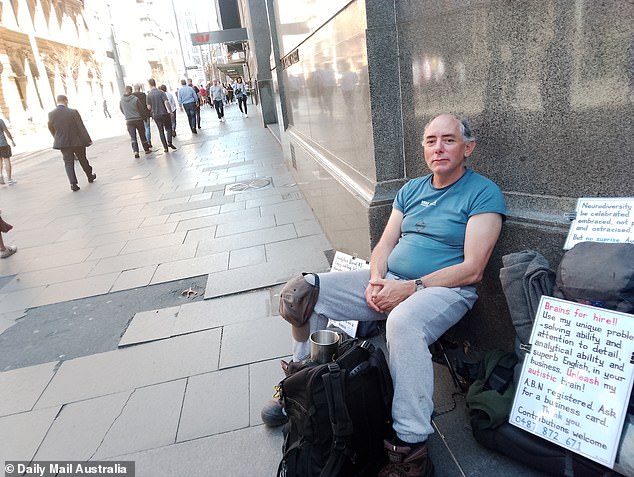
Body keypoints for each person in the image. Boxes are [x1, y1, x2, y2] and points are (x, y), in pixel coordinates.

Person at [262, 114, 506, 477]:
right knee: (303, 291)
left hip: (445, 290)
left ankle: (410, 448)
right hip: (392, 279)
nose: (438, 147)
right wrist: (377, 279)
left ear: (467, 148)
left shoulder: (483, 192)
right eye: (430, 140)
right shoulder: (411, 190)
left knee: (403, 321)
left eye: (449, 140)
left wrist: (409, 288)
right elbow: (385, 243)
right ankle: (304, 383)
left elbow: (472, 268)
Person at [47, 95, 96, 192]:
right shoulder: (73, 112)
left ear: (57, 101)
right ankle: (89, 176)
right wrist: (87, 139)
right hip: (77, 141)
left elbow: (51, 127)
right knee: (83, 159)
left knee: (68, 163)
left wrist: (57, 137)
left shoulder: (51, 114)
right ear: (66, 101)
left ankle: (73, 183)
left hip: (63, 143)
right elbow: (81, 127)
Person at [120, 85, 152, 158]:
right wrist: (144, 118)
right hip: (138, 119)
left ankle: (135, 151)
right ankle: (146, 149)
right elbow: (141, 110)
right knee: (142, 135)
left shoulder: (122, 100)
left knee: (133, 137)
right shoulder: (135, 99)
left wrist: (127, 114)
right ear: (131, 91)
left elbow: (121, 109)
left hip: (129, 121)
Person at [146, 78, 176, 153]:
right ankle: (169, 142)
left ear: (149, 84)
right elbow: (166, 102)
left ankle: (165, 147)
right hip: (164, 113)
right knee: (168, 128)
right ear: (155, 83)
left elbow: (149, 107)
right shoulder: (161, 92)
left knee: (161, 131)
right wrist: (170, 111)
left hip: (156, 115)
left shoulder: (149, 95)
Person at [132, 84, 152, 148]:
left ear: (134, 89)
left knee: (141, 130)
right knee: (147, 128)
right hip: (146, 114)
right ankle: (148, 142)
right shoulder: (144, 95)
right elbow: (147, 104)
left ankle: (145, 142)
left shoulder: (132, 96)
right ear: (140, 88)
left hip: (137, 115)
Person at [0, 117, 17, 185]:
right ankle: (9, 179)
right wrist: (12, 140)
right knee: (7, 160)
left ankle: (1, 176)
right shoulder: (0, 121)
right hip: (3, 144)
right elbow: (6, 131)